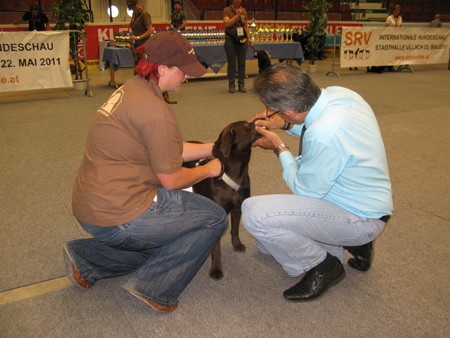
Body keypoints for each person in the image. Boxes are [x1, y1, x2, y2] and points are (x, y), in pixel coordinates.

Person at [65, 31, 227, 313]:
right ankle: (155, 287)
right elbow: (172, 179)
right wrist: (210, 170)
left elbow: (171, 149)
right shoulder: (156, 111)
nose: (187, 78)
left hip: (91, 205)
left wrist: (212, 148)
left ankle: (87, 258)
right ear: (163, 68)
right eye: (184, 72)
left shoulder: (132, 89)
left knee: (167, 245)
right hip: (119, 214)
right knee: (212, 218)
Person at [242, 64, 393, 302]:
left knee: (254, 214)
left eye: (272, 111)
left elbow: (304, 190)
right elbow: (309, 122)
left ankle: (324, 266)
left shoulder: (325, 134)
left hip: (359, 217)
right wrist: (283, 124)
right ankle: (353, 244)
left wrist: (279, 148)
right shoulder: (340, 94)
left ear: (289, 110)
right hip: (367, 199)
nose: (270, 114)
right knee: (265, 243)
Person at [223, 0, 251, 93]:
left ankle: (241, 84)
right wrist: (237, 16)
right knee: (232, 63)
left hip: (242, 39)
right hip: (230, 39)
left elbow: (246, 25)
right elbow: (227, 24)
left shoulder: (244, 11)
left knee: (242, 62)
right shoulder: (226, 10)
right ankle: (231, 85)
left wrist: (249, 37)